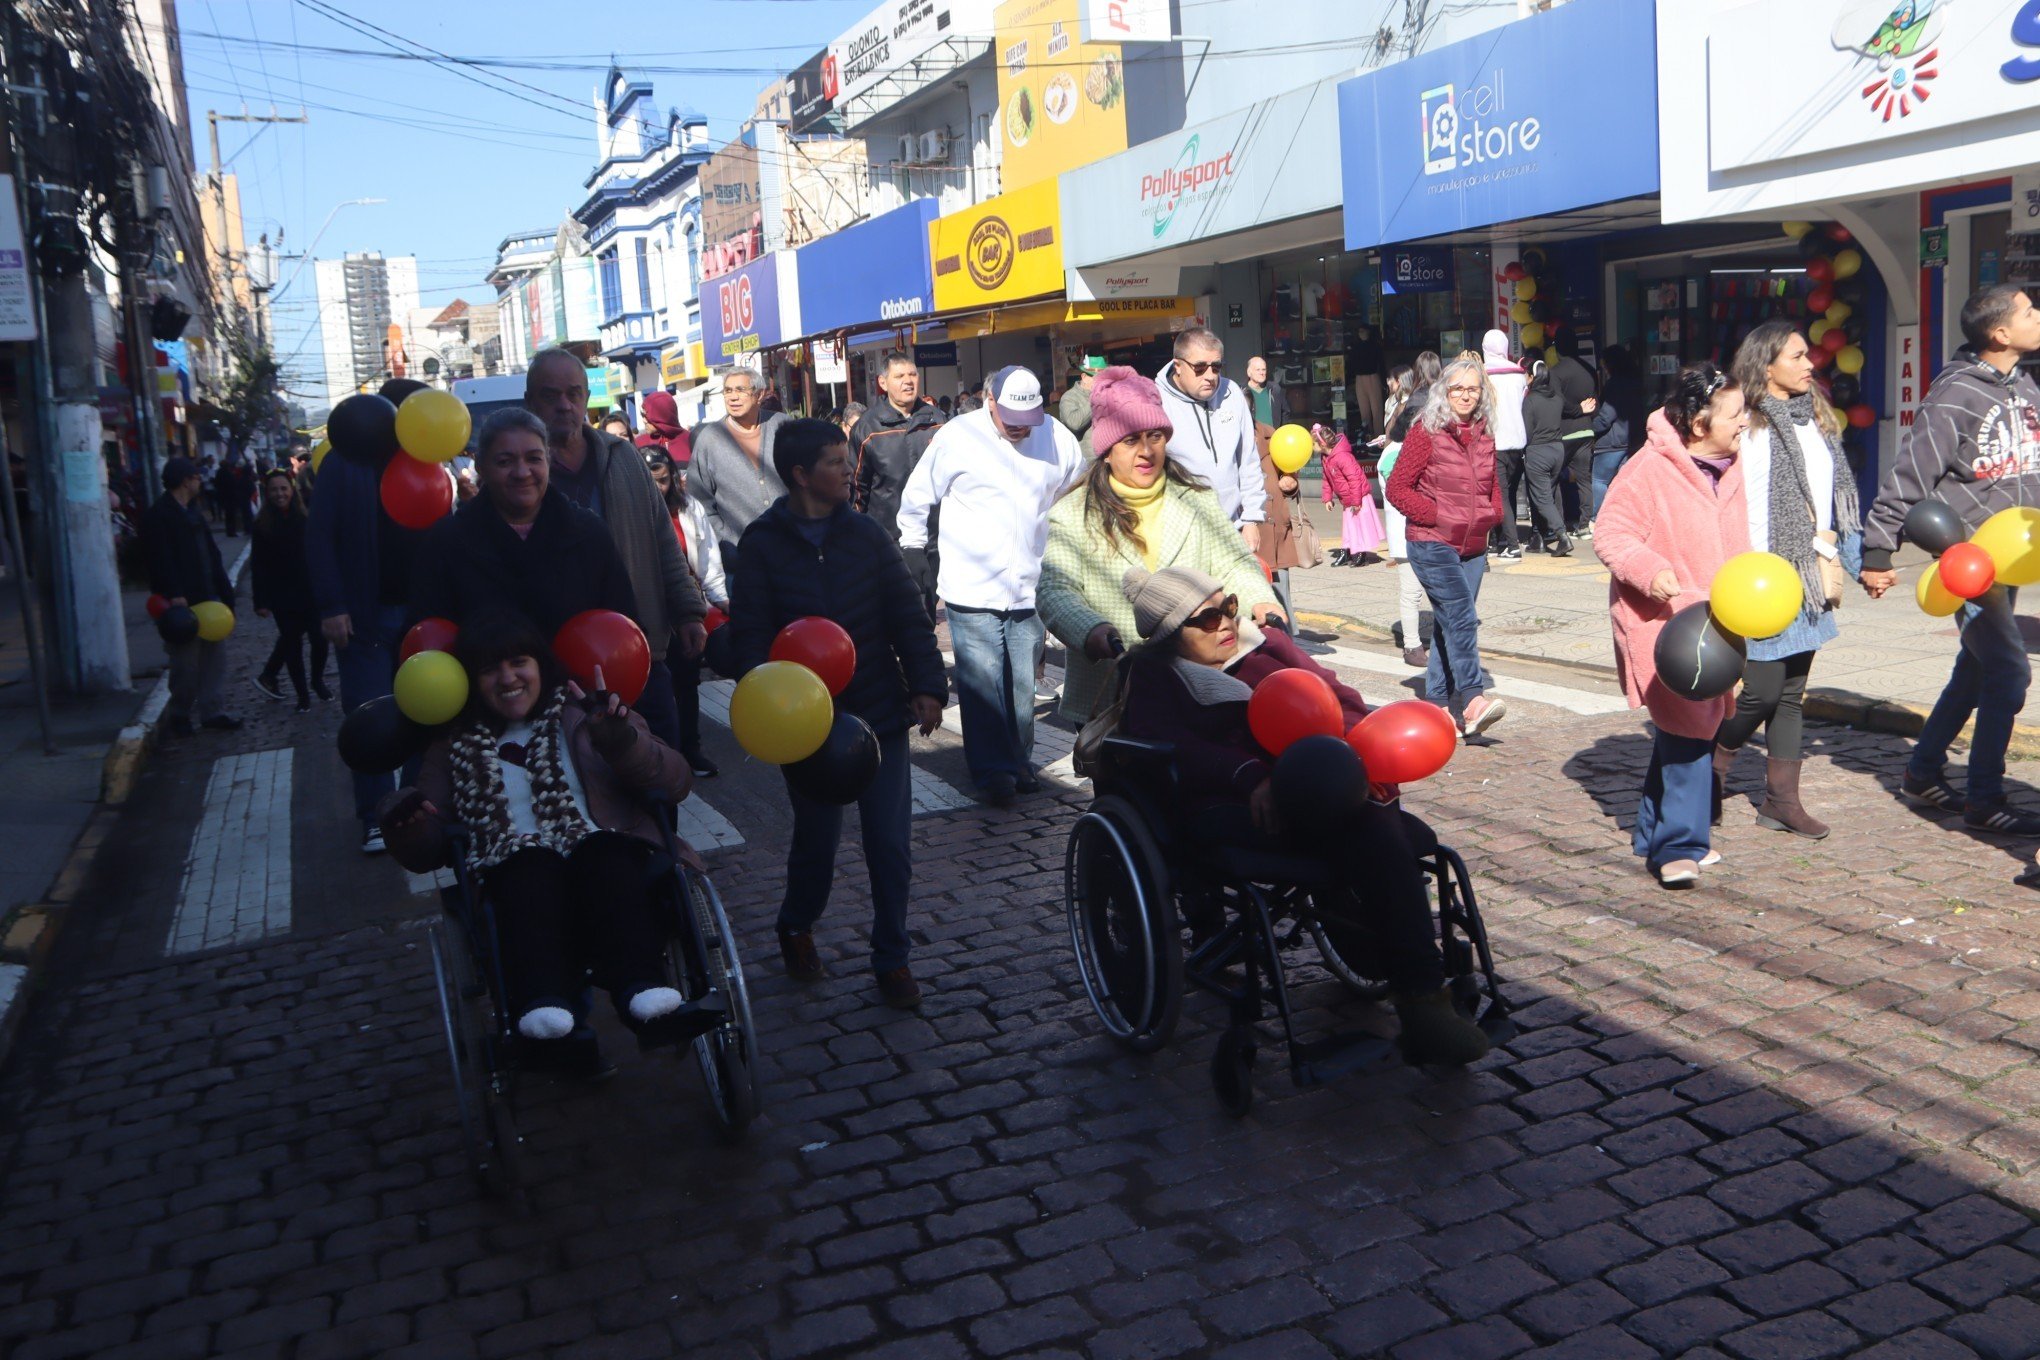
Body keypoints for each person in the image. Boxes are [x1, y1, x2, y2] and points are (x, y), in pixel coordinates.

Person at [1117, 565, 1490, 1065]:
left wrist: (1358, 754)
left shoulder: (1267, 646)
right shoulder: (1155, 674)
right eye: (1206, 619)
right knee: (1380, 839)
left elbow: (1339, 700)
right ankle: (1423, 1002)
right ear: (1168, 635)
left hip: (1323, 789)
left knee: (1388, 835)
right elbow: (1174, 747)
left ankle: (1418, 988)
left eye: (1227, 607)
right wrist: (1250, 774)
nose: (1226, 623)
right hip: (1235, 806)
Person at [379, 611, 705, 1068]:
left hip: (600, 844)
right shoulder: (450, 745)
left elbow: (674, 781)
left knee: (606, 855)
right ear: (470, 682)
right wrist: (408, 822)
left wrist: (621, 741)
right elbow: (427, 845)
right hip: (515, 862)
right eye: (490, 669)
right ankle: (545, 1006)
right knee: (526, 869)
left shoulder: (584, 713)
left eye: (519, 663)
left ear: (541, 666)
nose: (508, 678)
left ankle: (643, 989)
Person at [731, 418, 947, 1009]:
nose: (845, 469)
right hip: (807, 725)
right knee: (817, 844)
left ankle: (893, 957)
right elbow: (750, 635)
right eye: (833, 461)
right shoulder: (762, 543)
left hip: (879, 711)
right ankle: (797, 924)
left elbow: (907, 613)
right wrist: (766, 700)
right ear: (800, 474)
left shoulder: (867, 535)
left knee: (889, 844)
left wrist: (927, 683)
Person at [1862, 284, 2040, 835]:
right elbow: (1911, 471)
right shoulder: (1955, 395)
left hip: (2014, 556)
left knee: (1975, 671)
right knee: (2009, 675)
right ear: (2000, 333)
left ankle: (1921, 773)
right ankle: (1984, 798)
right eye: (2029, 311)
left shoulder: (2025, 385)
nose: (2038, 315)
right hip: (1971, 560)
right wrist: (1877, 548)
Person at [1039, 367, 1283, 723]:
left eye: (1155, 436)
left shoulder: (1196, 498)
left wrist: (1260, 600)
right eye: (1130, 440)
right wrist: (1090, 629)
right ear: (1106, 450)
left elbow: (1233, 562)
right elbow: (1055, 590)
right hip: (1113, 691)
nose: (1146, 451)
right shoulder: (1074, 513)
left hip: (1201, 680)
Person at [897, 366, 1085, 804]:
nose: (1020, 428)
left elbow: (1075, 493)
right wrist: (911, 547)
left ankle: (1019, 758)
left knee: (1021, 685)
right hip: (971, 583)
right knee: (983, 683)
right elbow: (917, 495)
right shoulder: (957, 436)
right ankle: (992, 770)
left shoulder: (1056, 436)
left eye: (1028, 420)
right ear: (989, 402)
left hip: (1031, 583)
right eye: (1011, 420)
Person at [1596, 364, 1752, 887]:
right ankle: (1678, 847)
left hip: (1719, 620)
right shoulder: (1648, 468)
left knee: (1686, 731)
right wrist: (1651, 571)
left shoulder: (1731, 467)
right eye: (1734, 414)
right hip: (1665, 622)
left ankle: (1650, 833)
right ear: (1698, 422)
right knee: (1689, 732)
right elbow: (1612, 535)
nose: (1744, 422)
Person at [1711, 322, 1861, 839]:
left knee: (1792, 692)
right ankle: (1709, 771)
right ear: (1765, 364)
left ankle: (1781, 801)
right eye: (1796, 356)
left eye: (1806, 356)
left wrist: (1857, 555)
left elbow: (1834, 493)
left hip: (1810, 571)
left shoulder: (1815, 418)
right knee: (1761, 691)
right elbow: (1726, 500)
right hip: (1762, 575)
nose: (1809, 364)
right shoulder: (1745, 424)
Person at [522, 348, 707, 754]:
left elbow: (661, 537)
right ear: (530, 402)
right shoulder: (522, 472)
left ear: (587, 398)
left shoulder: (622, 457)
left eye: (573, 394)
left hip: (639, 648)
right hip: (558, 666)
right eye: (550, 396)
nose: (564, 405)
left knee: (658, 773)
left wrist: (688, 610)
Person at [309, 378, 432, 854]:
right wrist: (332, 606)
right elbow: (319, 537)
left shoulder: (426, 462)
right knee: (372, 715)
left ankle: (418, 804)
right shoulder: (345, 464)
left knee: (428, 708)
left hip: (422, 615)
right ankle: (377, 814)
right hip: (364, 618)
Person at [413, 408, 640, 639]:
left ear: (548, 460)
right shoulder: (447, 543)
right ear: (481, 466)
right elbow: (428, 642)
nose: (522, 472)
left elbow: (623, 630)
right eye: (505, 461)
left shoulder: (589, 535)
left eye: (533, 459)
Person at [1385, 355, 1509, 737]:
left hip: (1472, 544)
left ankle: (1436, 704)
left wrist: (1494, 513)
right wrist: (1437, 514)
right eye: (1457, 388)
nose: (1466, 396)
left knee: (1448, 623)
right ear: (1444, 391)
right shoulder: (1426, 430)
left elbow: (1489, 482)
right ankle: (1472, 699)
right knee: (1462, 617)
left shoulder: (1485, 431)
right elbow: (1397, 488)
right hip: (1432, 541)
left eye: (1473, 388)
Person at [144, 455, 242, 737]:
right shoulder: (159, 515)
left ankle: (213, 711)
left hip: (209, 598)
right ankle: (180, 714)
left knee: (215, 661)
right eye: (197, 477)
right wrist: (174, 593)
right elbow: (159, 559)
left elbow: (211, 556)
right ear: (186, 480)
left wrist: (225, 594)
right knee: (185, 665)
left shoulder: (194, 512)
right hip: (181, 603)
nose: (200, 481)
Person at [645, 444, 725, 779]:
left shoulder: (689, 507)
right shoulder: (631, 508)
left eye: (663, 481)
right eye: (651, 481)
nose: (657, 489)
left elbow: (707, 558)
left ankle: (691, 749)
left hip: (685, 608)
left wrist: (719, 599)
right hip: (648, 610)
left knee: (687, 680)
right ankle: (659, 753)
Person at [1155, 328, 1267, 552]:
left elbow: (1248, 460)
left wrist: (1252, 519)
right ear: (1178, 366)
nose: (1210, 375)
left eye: (1216, 367)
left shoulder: (1232, 393)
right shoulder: (1156, 401)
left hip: (1232, 530)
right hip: (1180, 538)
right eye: (1199, 367)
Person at [690, 368, 789, 577]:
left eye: (740, 390)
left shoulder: (782, 425)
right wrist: (729, 543)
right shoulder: (710, 439)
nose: (733, 397)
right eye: (727, 391)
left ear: (759, 394)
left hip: (790, 553)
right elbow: (699, 503)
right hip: (740, 563)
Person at [250, 468, 329, 712]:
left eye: (283, 488)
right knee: (292, 645)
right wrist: (261, 601)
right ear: (267, 493)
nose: (279, 494)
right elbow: (258, 565)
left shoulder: (306, 517)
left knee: (320, 640)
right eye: (274, 489)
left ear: (291, 489)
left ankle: (317, 680)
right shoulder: (262, 525)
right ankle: (302, 695)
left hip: (310, 591)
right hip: (282, 596)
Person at [850, 350, 946, 540]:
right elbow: (855, 490)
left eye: (912, 375)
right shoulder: (868, 428)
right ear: (883, 382)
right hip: (887, 540)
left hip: (934, 537)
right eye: (899, 376)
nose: (908, 381)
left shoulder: (937, 420)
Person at [1377, 366, 1429, 668]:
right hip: (1406, 535)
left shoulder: (1404, 448)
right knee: (1411, 592)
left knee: (1425, 590)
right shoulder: (1396, 452)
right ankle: (1412, 646)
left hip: (1420, 534)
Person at [1482, 331, 1530, 562]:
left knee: (1498, 495)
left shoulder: (1483, 374)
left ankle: (1511, 544)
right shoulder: (1518, 373)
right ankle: (1497, 540)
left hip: (1495, 441)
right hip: (1518, 441)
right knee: (1507, 493)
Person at [1522, 354, 1572, 557]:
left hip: (1538, 452)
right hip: (1557, 451)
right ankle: (1539, 538)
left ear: (1533, 378)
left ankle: (1562, 536)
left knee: (1541, 498)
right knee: (1545, 495)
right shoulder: (1558, 399)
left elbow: (1527, 432)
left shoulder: (1530, 401)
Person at [1551, 334, 1601, 536]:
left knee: (1553, 480)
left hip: (1564, 432)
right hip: (1586, 430)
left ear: (1557, 350)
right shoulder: (1589, 370)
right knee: (1584, 480)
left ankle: (1560, 525)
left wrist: (1576, 410)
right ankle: (1584, 525)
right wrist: (1585, 412)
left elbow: (1557, 403)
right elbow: (1595, 404)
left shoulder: (1556, 372)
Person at [1591, 345, 1647, 519]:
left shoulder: (1615, 384)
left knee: (1599, 481)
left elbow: (1606, 418)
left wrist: (1589, 427)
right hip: (1632, 441)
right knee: (1624, 483)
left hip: (1612, 443)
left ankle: (1597, 518)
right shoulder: (1637, 382)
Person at [1319, 423, 1383, 566]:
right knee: (1349, 527)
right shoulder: (1326, 458)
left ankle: (1360, 553)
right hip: (1348, 497)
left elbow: (1354, 479)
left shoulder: (1342, 457)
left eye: (1314, 444)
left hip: (1358, 497)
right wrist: (1327, 498)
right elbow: (1327, 478)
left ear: (1322, 444)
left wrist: (1356, 501)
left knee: (1358, 526)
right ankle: (1347, 551)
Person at [1346, 323, 1387, 438]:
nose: (1361, 334)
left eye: (1363, 331)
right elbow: (1351, 365)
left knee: (1377, 410)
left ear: (1369, 332)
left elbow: (1381, 365)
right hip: (1360, 378)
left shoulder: (1375, 345)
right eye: (1359, 332)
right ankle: (1367, 436)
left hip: (1372, 376)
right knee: (1364, 411)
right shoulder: (1355, 346)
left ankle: (1378, 437)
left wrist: (1384, 381)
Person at [634, 390, 693, 466]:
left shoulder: (690, 440)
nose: (644, 421)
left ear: (661, 415)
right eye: (642, 416)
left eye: (647, 416)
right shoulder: (640, 443)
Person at [1060, 355, 1104, 441]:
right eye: (1097, 378)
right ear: (1084, 377)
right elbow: (1074, 423)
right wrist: (1095, 399)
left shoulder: (1105, 394)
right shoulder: (1069, 397)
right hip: (1085, 454)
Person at [214, 458, 251, 537]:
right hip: (230, 497)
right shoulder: (228, 473)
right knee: (231, 515)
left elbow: (216, 484)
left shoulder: (219, 473)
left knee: (228, 515)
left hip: (223, 496)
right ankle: (232, 531)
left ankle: (230, 531)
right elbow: (233, 484)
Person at [1244, 355, 1275, 428]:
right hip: (1253, 436)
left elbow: (1284, 413)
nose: (1261, 373)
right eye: (1258, 370)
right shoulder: (1242, 393)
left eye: (1263, 369)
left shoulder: (1274, 389)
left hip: (1274, 436)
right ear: (1249, 373)